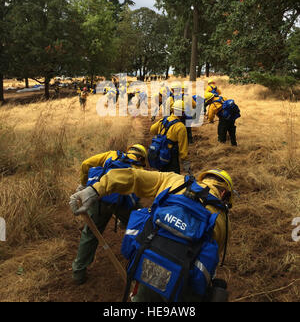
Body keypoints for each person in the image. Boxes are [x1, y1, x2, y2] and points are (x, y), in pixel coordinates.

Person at [69, 167, 235, 302]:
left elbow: (134, 176)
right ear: (224, 194)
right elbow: (211, 258)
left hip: (149, 259)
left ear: (202, 179)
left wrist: (95, 190)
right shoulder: (223, 219)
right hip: (183, 279)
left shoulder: (174, 180)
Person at [71, 144, 148, 285]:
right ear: (141, 158)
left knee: (90, 234)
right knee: (142, 228)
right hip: (122, 204)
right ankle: (141, 269)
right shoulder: (139, 169)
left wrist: (84, 185)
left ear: (129, 151)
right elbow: (138, 195)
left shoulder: (112, 155)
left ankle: (78, 273)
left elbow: (85, 163)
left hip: (100, 199)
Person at [149, 99, 190, 174]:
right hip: (171, 157)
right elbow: (183, 149)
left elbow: (152, 130)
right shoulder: (181, 127)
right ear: (182, 112)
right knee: (173, 178)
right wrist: (186, 164)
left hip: (160, 153)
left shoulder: (163, 120)